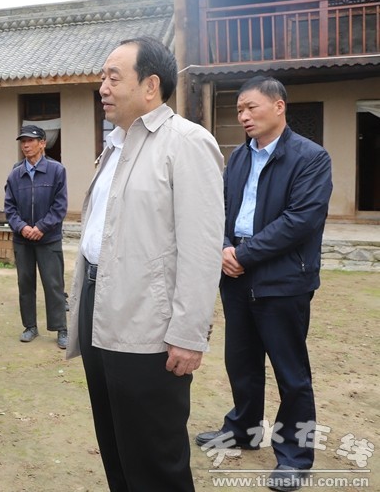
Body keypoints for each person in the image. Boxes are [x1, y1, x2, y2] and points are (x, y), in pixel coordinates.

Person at [66, 37, 224, 491]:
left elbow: (201, 248)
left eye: (113, 77)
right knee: (115, 441)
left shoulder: (187, 143)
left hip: (148, 323)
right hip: (98, 303)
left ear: (151, 86)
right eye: (102, 77)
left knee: (154, 455)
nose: (103, 87)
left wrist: (188, 334)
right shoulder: (116, 145)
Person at [195, 76, 332, 492]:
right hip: (235, 275)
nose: (244, 116)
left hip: (283, 279)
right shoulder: (238, 157)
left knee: (291, 373)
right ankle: (243, 428)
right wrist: (224, 247)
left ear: (279, 106)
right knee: (241, 362)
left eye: (251, 107)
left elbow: (300, 220)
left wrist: (244, 254)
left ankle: (294, 456)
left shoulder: (311, 158)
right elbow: (219, 207)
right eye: (239, 109)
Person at [4, 124, 69, 349]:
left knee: (54, 284)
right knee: (25, 284)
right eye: (23, 141)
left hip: (48, 238)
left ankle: (61, 328)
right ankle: (30, 326)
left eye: (30, 140)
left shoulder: (56, 170)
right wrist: (22, 227)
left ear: (42, 143)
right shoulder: (15, 173)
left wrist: (41, 227)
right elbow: (9, 207)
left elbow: (60, 206)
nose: (26, 145)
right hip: (22, 240)